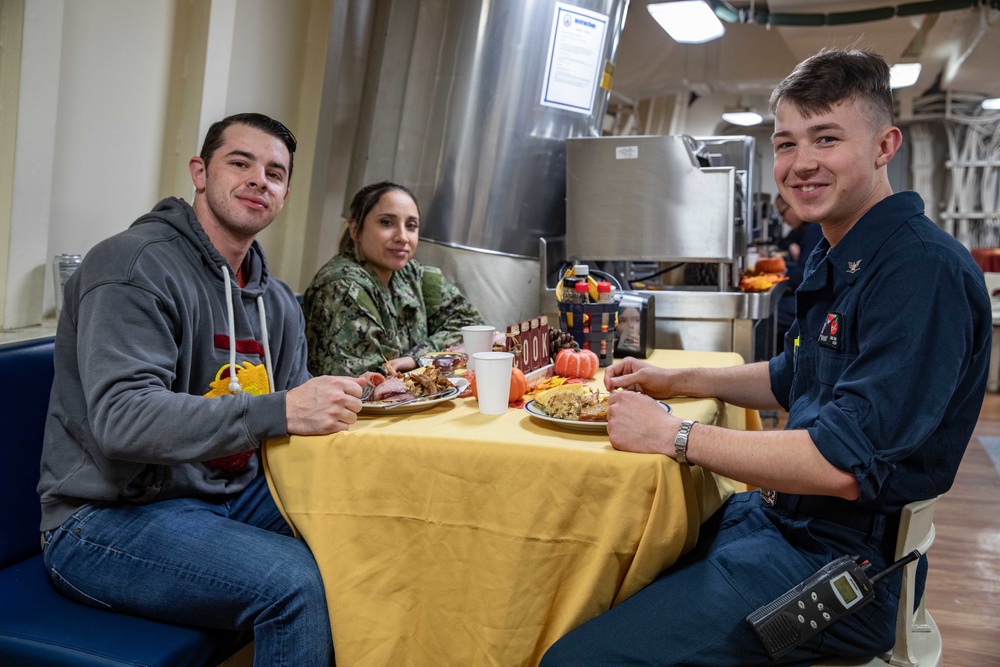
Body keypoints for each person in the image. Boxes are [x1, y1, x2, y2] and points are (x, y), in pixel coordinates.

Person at [541, 48, 991, 666]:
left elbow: (841, 465)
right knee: (593, 572)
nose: (801, 164)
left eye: (827, 139)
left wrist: (676, 436)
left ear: (885, 146)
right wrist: (676, 378)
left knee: (577, 661)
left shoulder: (920, 271)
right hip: (778, 522)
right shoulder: (843, 253)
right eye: (786, 143)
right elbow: (793, 376)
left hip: (839, 572)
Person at [38, 113, 374, 666]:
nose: (259, 179)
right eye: (239, 162)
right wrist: (285, 408)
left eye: (275, 172)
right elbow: (124, 420)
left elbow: (290, 405)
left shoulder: (277, 301)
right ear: (199, 172)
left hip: (226, 498)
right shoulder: (132, 265)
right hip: (103, 518)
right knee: (295, 585)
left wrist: (357, 394)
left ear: (285, 193)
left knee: (363, 530)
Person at [303, 180, 485, 376]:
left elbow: (474, 329)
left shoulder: (411, 274)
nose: (403, 237)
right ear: (355, 229)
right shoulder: (344, 287)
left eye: (411, 226)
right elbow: (366, 384)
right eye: (386, 223)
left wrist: (417, 358)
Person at [774, 192, 824, 352]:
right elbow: (785, 243)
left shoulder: (814, 230)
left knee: (771, 313)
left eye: (782, 213)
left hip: (817, 301)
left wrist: (783, 268)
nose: (782, 219)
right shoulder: (802, 229)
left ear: (795, 205)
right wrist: (791, 247)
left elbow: (805, 278)